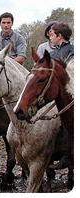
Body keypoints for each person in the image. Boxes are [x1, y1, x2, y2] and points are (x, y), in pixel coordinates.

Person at [48, 22, 74, 170]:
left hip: (68, 94)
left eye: (52, 35)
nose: (50, 38)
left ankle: (67, 155)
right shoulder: (52, 54)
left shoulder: (72, 51)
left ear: (59, 36)